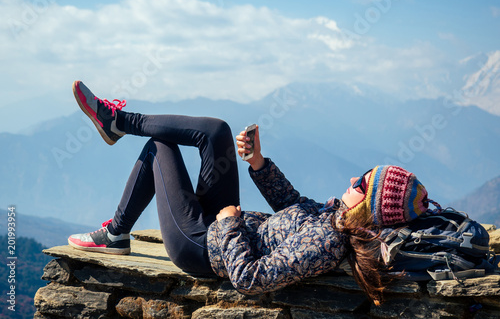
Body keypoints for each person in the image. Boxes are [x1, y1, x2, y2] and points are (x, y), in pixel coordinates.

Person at [68, 81, 432, 305]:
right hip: (223, 225)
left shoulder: (327, 243)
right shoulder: (333, 217)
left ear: (368, 207)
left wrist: (228, 226)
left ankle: (116, 228)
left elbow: (251, 278)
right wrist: (258, 162)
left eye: (362, 184)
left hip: (201, 246)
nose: (354, 180)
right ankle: (117, 123)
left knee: (160, 147)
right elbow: (293, 206)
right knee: (216, 132)